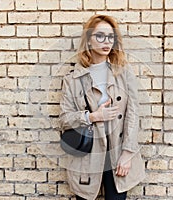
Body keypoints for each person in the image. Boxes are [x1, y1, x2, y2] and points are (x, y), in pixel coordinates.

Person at [59, 14, 146, 200]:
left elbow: (133, 113)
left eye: (110, 36)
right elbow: (64, 119)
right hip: (87, 156)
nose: (106, 41)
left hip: (118, 153)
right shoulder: (72, 79)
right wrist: (93, 116)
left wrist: (128, 153)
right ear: (88, 40)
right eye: (99, 36)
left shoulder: (123, 72)